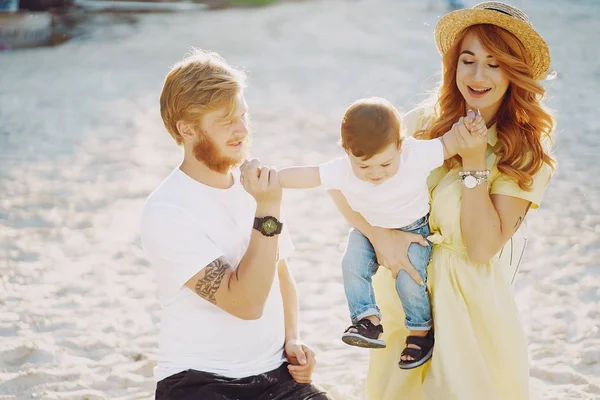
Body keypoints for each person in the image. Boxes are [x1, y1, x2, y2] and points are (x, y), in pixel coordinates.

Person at [331, 2, 556, 399]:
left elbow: (483, 246)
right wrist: (378, 236)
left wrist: (473, 162)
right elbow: (355, 183)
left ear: (514, 72)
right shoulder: (422, 124)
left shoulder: (524, 151)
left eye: (494, 63)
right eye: (467, 60)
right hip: (405, 298)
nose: (477, 75)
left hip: (467, 307)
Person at [139, 49, 331, 400]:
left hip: (276, 376)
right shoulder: (167, 210)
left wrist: (293, 338)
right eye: (226, 120)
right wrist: (268, 209)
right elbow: (245, 303)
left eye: (243, 115)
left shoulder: (251, 188)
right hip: (198, 381)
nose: (242, 130)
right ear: (187, 129)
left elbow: (282, 277)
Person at [273, 97, 486, 369]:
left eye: (386, 164)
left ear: (400, 145)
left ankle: (420, 332)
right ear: (347, 151)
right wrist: (272, 177)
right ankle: (367, 321)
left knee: (409, 280)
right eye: (363, 166)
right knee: (352, 262)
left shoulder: (414, 154)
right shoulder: (341, 169)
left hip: (414, 229)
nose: (375, 174)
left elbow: (450, 143)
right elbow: (308, 175)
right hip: (368, 231)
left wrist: (471, 125)